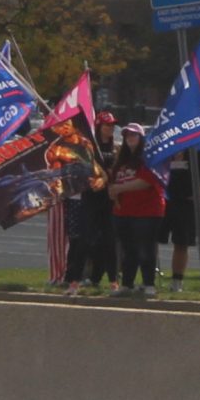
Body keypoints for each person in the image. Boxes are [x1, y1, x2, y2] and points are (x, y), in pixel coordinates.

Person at [65, 111, 120, 294]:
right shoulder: (89, 146)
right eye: (106, 126)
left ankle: (113, 281)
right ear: (98, 127)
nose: (110, 129)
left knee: (109, 241)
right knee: (84, 240)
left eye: (112, 126)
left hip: (108, 200)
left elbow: (117, 172)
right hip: (90, 198)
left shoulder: (115, 148)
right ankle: (74, 281)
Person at [109, 123, 166, 297]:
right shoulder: (121, 160)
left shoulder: (149, 158)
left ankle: (149, 284)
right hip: (124, 212)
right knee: (128, 250)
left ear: (141, 138)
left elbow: (146, 182)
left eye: (134, 135)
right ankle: (127, 284)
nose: (130, 139)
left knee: (146, 249)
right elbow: (113, 183)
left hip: (147, 211)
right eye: (127, 136)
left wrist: (120, 188)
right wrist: (112, 191)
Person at [161, 153, 198, 292]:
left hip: (185, 203)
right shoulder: (166, 148)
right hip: (163, 199)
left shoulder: (196, 148)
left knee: (182, 242)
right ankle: (149, 279)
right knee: (153, 239)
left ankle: (177, 280)